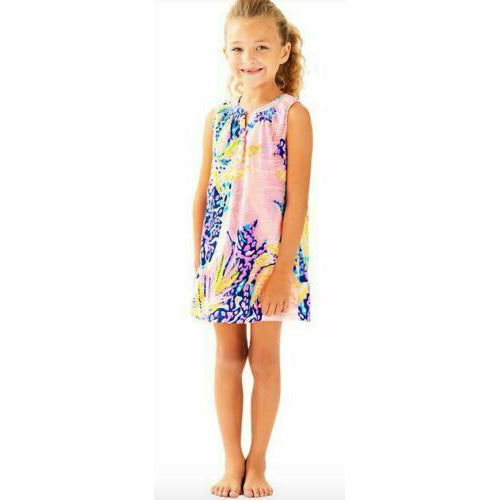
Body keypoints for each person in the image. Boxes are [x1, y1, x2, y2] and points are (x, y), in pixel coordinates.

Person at [190, 0, 313, 497]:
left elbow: (298, 201)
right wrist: (199, 263)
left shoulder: (293, 116)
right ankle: (231, 460)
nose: (249, 58)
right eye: (238, 48)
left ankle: (258, 461)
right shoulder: (217, 118)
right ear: (226, 53)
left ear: (283, 51)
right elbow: (203, 195)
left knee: (264, 358)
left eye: (261, 47)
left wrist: (282, 271)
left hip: (270, 260)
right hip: (220, 260)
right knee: (226, 356)